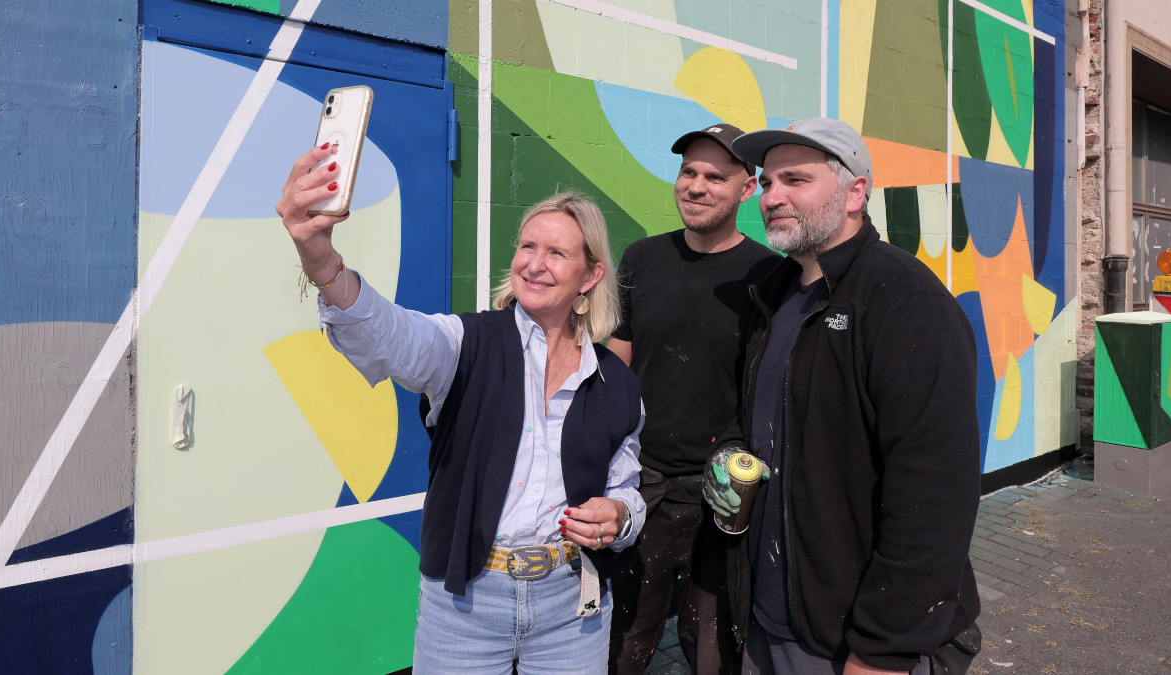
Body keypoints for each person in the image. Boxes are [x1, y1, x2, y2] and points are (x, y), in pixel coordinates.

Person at [277, 145, 646, 675]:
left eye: (557, 253)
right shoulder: (464, 343)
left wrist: (621, 516)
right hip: (467, 602)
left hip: (574, 607)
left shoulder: (618, 383)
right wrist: (322, 261)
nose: (534, 264)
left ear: (590, 277)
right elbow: (390, 336)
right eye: (526, 246)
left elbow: (626, 489)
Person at [703, 118, 982, 675]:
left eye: (795, 180)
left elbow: (934, 496)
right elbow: (762, 415)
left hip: (851, 643)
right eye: (767, 181)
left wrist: (881, 651)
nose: (772, 197)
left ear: (856, 192)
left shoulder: (905, 302)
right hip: (770, 618)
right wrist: (731, 454)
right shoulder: (776, 294)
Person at [608, 123, 780, 675]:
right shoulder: (642, 258)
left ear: (746, 189)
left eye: (716, 176)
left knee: (712, 650)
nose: (697, 186)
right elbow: (619, 353)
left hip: (722, 493)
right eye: (689, 172)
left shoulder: (769, 274)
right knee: (625, 643)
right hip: (644, 484)